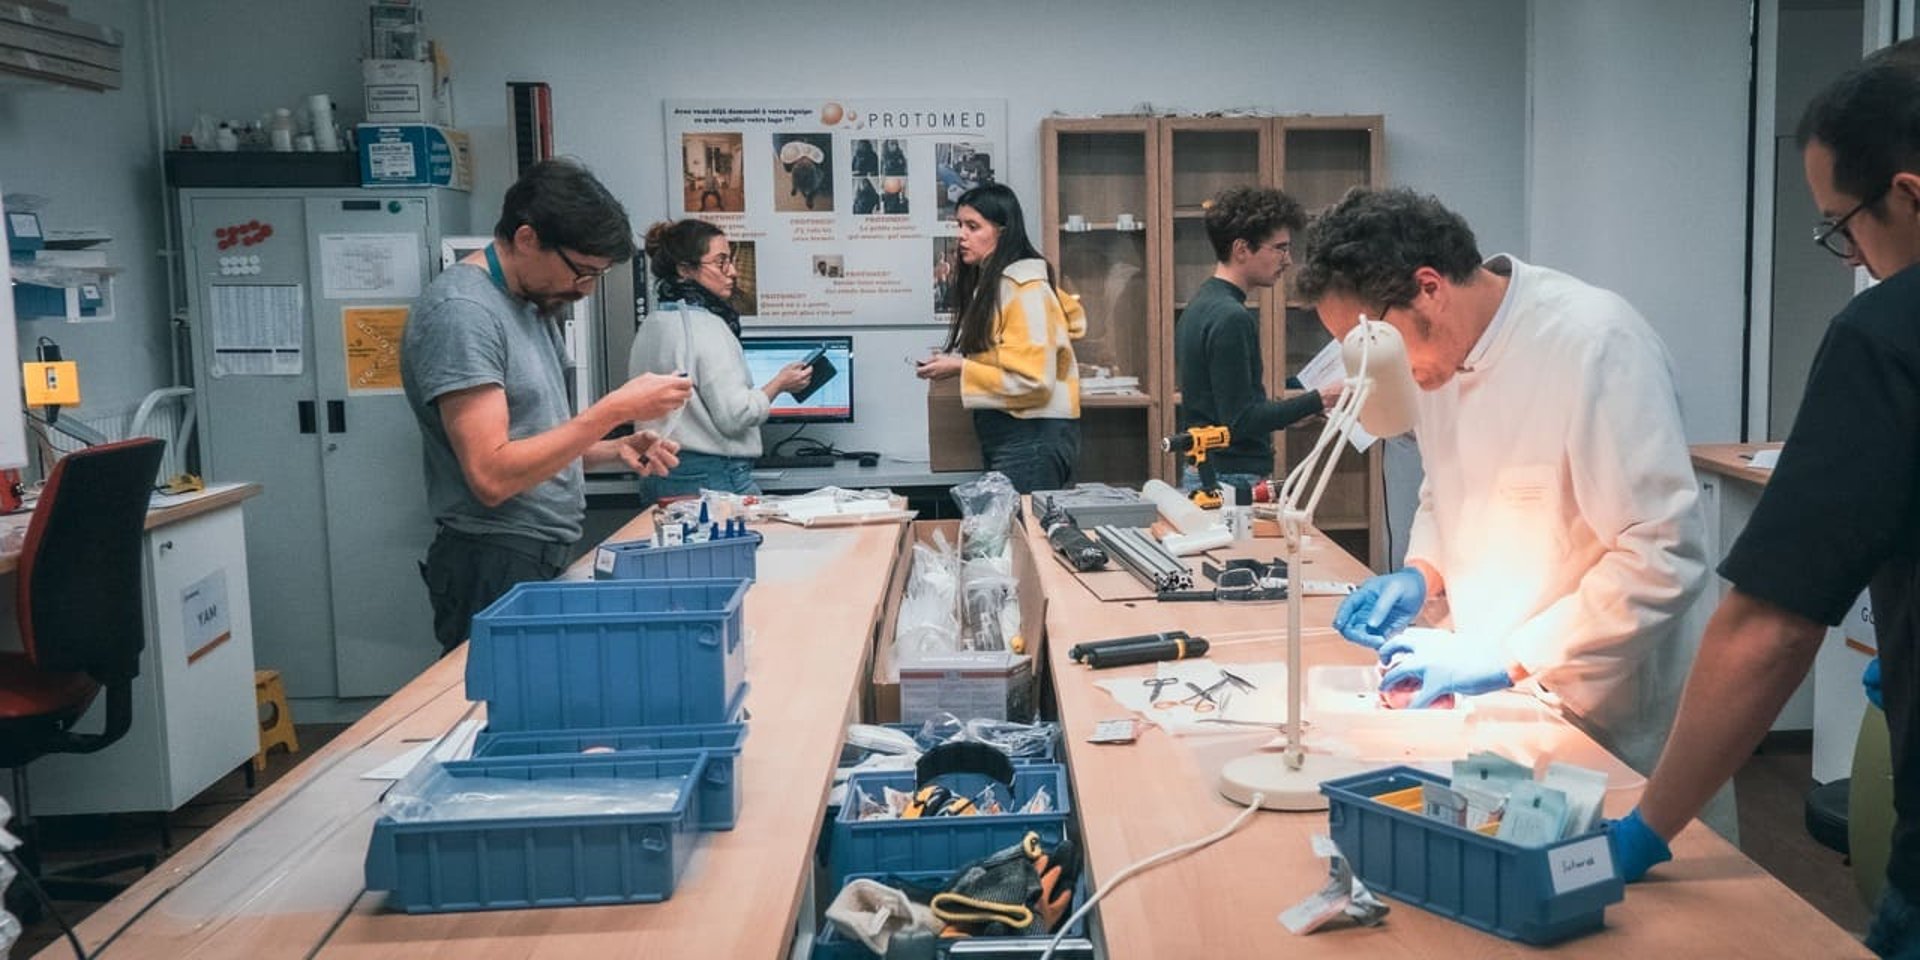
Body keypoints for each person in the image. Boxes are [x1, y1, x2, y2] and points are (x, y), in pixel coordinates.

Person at [1613, 45, 1920, 957]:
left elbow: (1770, 628)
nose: (1849, 259)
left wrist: (1647, 829)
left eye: (1844, 226)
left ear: (1910, 192)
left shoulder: (1887, 332)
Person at [1297, 187, 1715, 795]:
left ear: (1430, 289)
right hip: (1498, 708)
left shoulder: (1595, 344)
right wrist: (1424, 572)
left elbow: (1664, 557)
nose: (1365, 367)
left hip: (1603, 712)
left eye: (1370, 343)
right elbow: (1449, 491)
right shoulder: (1437, 355)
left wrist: (1510, 657)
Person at [403, 158, 691, 654]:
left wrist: (612, 448)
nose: (586, 290)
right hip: (494, 559)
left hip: (536, 551)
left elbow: (534, 442)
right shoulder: (463, 315)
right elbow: (492, 476)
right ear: (527, 238)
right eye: (582, 272)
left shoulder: (529, 305)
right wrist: (611, 411)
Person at [915, 183, 1084, 493]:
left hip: (1031, 438)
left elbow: (1033, 381)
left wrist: (961, 368)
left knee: (1026, 536)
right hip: (1015, 435)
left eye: (973, 226)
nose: (961, 235)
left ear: (1002, 232)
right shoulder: (996, 285)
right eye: (959, 225)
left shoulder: (1024, 290)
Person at [628, 218, 812, 500]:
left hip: (658, 473)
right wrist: (780, 384)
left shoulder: (652, 324)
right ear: (684, 269)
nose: (733, 272)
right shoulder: (708, 327)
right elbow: (735, 416)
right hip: (712, 476)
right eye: (721, 262)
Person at [1174, 186, 1341, 495]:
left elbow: (1230, 406)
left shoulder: (1201, 306)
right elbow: (1240, 421)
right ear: (1241, 249)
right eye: (1279, 248)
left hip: (1211, 473)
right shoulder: (1231, 317)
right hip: (1231, 479)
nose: (1288, 260)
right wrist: (1322, 398)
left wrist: (1298, 408)